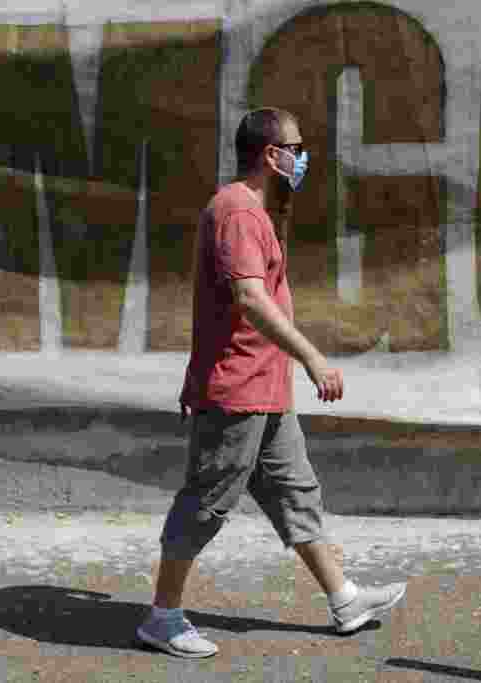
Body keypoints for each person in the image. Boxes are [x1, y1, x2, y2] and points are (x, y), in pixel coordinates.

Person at [135, 108, 407, 658]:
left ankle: (344, 598)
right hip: (235, 389)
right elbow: (250, 298)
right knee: (206, 501)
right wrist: (312, 359)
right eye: (297, 148)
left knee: (294, 492)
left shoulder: (253, 209)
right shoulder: (237, 211)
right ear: (270, 155)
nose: (302, 158)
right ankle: (162, 617)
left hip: (265, 387)